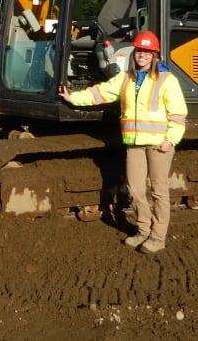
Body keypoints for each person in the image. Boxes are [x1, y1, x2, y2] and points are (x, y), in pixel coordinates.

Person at [59, 30, 187, 254]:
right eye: (139, 51)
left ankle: (158, 237)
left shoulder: (167, 80)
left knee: (158, 191)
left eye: (147, 52)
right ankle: (143, 230)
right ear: (134, 53)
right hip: (135, 143)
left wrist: (170, 140)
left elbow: (178, 113)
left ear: (155, 55)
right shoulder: (126, 78)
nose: (142, 55)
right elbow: (102, 93)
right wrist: (73, 98)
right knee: (136, 191)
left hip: (159, 144)